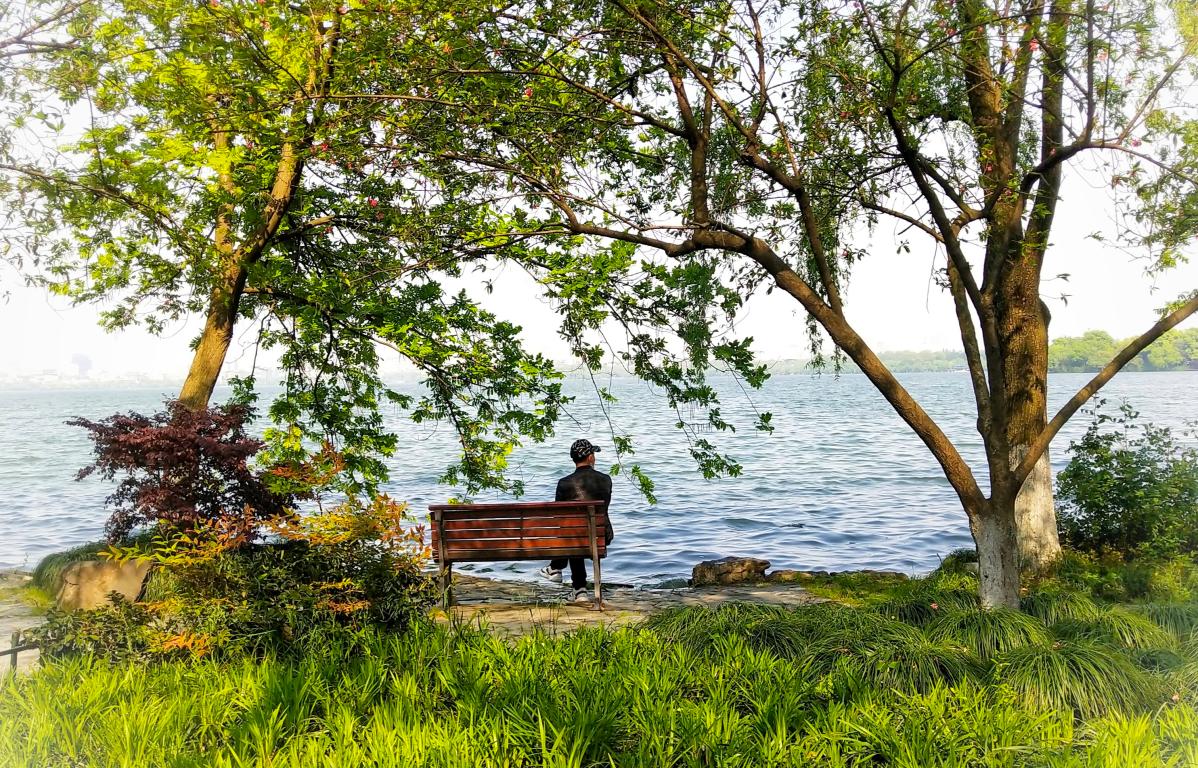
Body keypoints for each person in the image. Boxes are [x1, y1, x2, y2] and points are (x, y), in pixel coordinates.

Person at [539, 438, 613, 602]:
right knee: (577, 531)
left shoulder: (564, 483)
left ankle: (572, 584)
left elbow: (559, 516)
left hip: (573, 537)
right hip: (601, 536)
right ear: (590, 457)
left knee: (572, 531)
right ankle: (569, 581)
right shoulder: (606, 480)